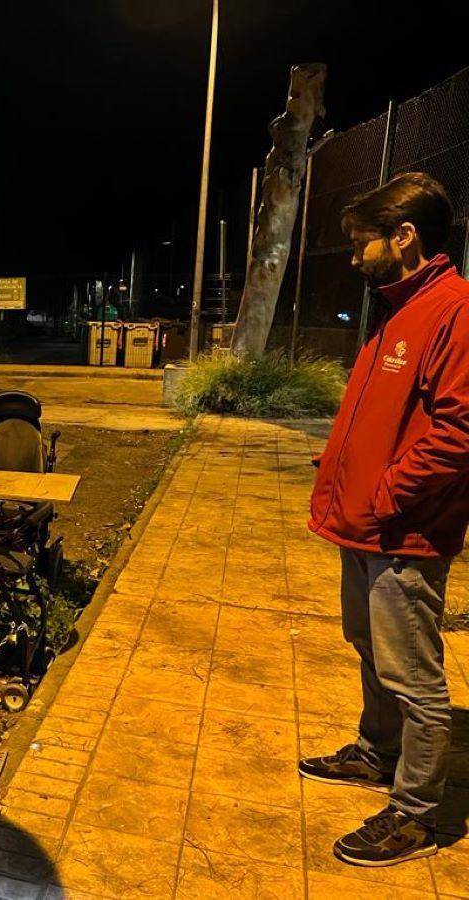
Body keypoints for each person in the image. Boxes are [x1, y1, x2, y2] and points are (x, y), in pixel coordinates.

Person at [302, 172, 469, 867]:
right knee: (368, 647)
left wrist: (390, 492)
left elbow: (459, 430)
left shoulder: (454, 309)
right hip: (364, 524)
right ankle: (377, 752)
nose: (352, 257)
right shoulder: (400, 306)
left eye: (361, 242)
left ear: (404, 238)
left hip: (402, 531)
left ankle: (417, 813)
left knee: (414, 677)